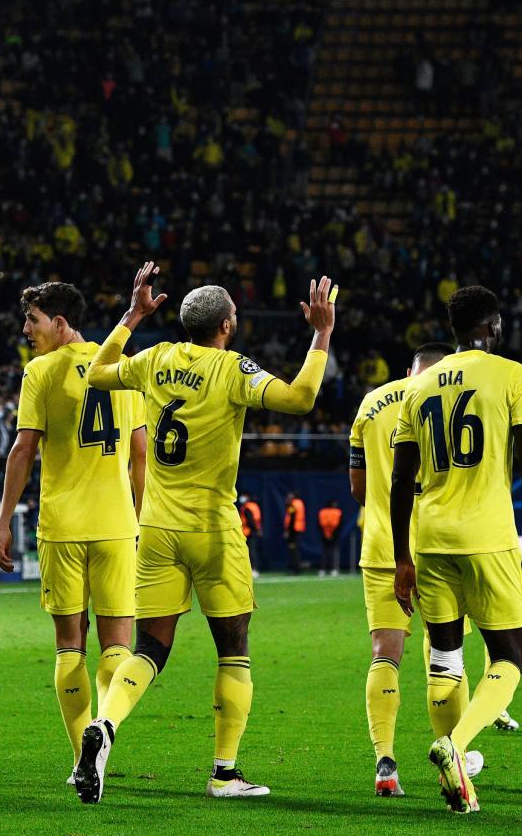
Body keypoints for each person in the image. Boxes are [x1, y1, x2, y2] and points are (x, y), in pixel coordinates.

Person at [73, 263, 335, 804]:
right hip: (213, 529)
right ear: (225, 326)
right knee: (233, 650)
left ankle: (105, 725)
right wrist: (322, 333)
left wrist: (132, 315)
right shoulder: (233, 368)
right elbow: (300, 398)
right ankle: (223, 772)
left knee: (147, 649)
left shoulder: (155, 357)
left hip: (158, 528)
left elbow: (97, 374)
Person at [389, 286, 522, 814]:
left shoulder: (417, 391)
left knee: (444, 658)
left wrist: (402, 558)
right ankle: (457, 745)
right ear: (489, 327)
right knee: (509, 657)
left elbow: (401, 482)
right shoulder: (512, 376)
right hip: (486, 537)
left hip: (431, 538)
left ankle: (460, 781)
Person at [0, 282, 147, 782]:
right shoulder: (123, 367)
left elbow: (23, 450)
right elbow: (141, 455)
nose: (26, 330)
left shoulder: (41, 372)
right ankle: (103, 734)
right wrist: (141, 520)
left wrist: (3, 520)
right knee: (118, 647)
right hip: (118, 524)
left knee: (69, 646)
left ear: (59, 323)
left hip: (62, 526)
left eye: (33, 320)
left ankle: (81, 756)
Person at [236, 495, 263, 576]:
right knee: (253, 551)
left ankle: (253, 569)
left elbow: (250, 521)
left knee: (251, 551)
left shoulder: (247, 507)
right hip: (253, 531)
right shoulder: (254, 506)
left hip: (249, 532)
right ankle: (253, 569)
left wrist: (255, 529)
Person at [317, 501, 343, 576]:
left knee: (324, 552)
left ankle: (322, 570)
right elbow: (340, 524)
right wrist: (332, 534)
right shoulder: (338, 512)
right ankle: (334, 569)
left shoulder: (322, 512)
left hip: (324, 534)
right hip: (334, 534)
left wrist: (325, 534)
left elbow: (319, 524)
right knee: (334, 552)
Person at [283, 492, 307, 574]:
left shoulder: (293, 504)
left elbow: (292, 517)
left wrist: (288, 530)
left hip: (293, 530)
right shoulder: (300, 503)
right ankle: (296, 567)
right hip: (298, 528)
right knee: (295, 549)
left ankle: (295, 568)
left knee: (293, 549)